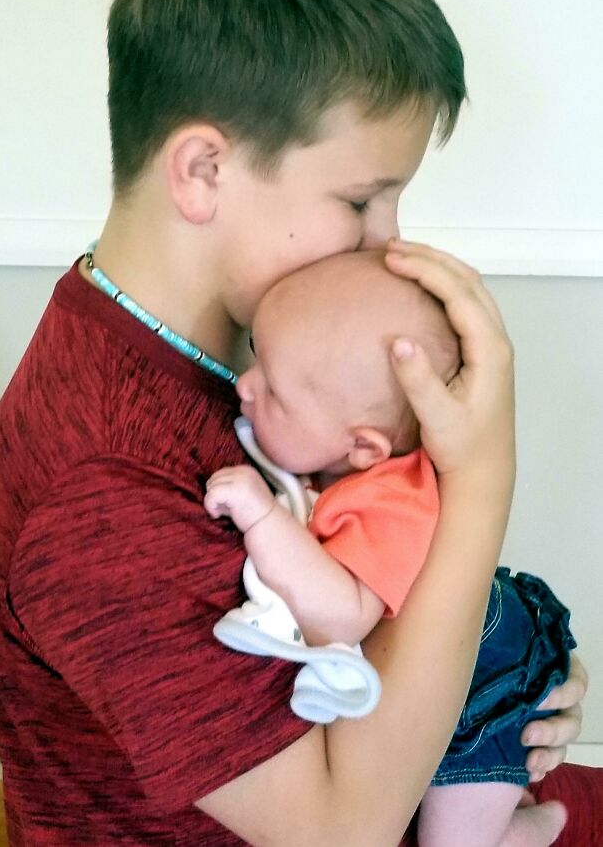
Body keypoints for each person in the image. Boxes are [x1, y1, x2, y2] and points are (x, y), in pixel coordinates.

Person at [0, 0, 596, 844]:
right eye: (360, 200)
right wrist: (483, 479)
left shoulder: (236, 356)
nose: (388, 243)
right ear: (204, 170)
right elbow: (344, 831)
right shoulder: (102, 491)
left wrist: (496, 685)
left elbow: (364, 582)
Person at [204, 250, 577, 846]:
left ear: (365, 449)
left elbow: (344, 612)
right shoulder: (331, 459)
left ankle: (533, 828)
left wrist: (263, 518)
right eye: (256, 356)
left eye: (273, 393)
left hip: (490, 680)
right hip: (455, 647)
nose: (244, 385)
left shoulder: (386, 502)